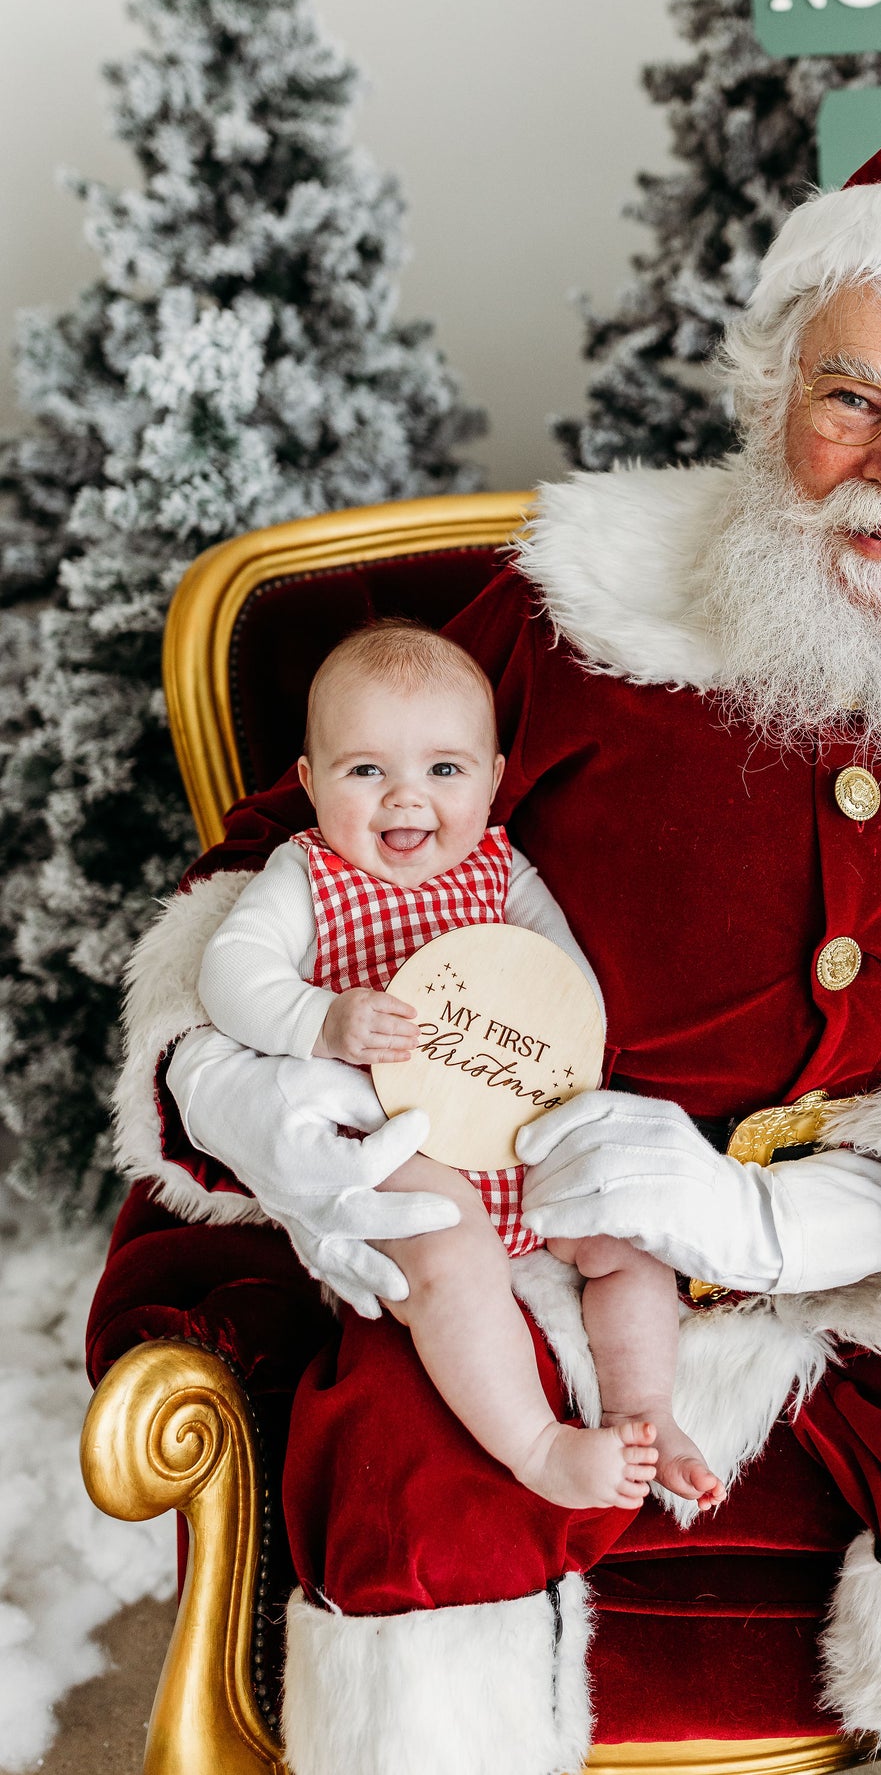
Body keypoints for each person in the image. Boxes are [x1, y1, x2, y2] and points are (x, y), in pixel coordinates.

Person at [115, 136, 881, 1775]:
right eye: (851, 399)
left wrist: (774, 1218)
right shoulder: (580, 613)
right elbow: (282, 853)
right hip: (544, 1217)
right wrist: (244, 1091)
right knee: (410, 1435)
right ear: (770, 398)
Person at [192, 618, 723, 1512]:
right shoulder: (308, 874)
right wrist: (321, 1019)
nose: (407, 799)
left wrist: (564, 1056)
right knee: (449, 1240)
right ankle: (537, 1443)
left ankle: (645, 1409)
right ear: (310, 783)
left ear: (493, 779)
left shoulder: (500, 865)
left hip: (514, 1119)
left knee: (627, 1234)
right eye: (367, 771)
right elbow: (228, 973)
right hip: (395, 1136)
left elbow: (566, 983)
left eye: (444, 769)